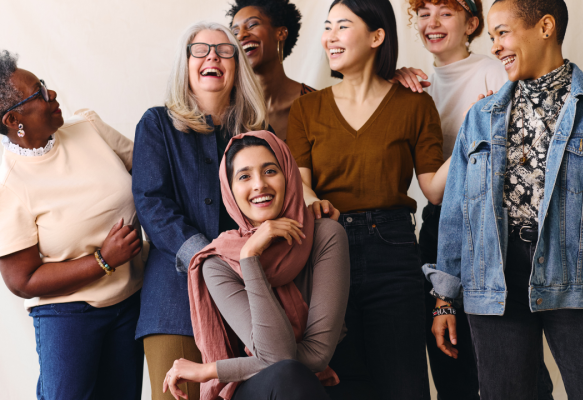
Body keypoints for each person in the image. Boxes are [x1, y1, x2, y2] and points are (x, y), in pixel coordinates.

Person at [424, 0, 583, 398]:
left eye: (503, 33)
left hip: (578, 274)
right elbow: (456, 213)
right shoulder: (481, 116)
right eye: (492, 37)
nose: (497, 46)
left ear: (546, 27)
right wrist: (444, 299)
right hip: (494, 276)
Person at [287, 0, 451, 398]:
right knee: (343, 383)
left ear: (377, 36)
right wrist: (312, 200)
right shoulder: (306, 109)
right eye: (327, 27)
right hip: (327, 249)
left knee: (403, 383)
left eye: (343, 26)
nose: (330, 37)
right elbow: (300, 183)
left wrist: (474, 130)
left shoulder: (415, 105)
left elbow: (433, 189)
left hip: (394, 251)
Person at [397, 1, 553, 399]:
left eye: (445, 13)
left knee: (510, 365)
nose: (432, 22)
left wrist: (473, 126)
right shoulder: (416, 83)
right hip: (438, 225)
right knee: (451, 359)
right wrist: (392, 82)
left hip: (488, 226)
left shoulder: (495, 69)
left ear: (472, 24)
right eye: (424, 12)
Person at [132, 21, 268, 400]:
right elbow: (151, 203)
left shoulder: (256, 134)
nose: (213, 57)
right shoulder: (157, 124)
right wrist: (205, 257)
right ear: (186, 63)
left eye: (225, 51)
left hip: (246, 296)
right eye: (201, 50)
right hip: (173, 301)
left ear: (237, 65)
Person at [0, 50, 144, 400]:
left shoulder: (88, 127)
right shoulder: (9, 185)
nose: (53, 95)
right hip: (67, 314)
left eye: (46, 86)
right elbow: (22, 280)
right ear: (13, 120)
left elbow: (149, 171)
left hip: (132, 300)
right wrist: (103, 260)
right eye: (40, 93)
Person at [163, 131, 349, 400]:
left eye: (270, 171)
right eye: (244, 176)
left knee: (292, 376)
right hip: (259, 389)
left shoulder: (325, 235)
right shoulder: (217, 262)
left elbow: (316, 354)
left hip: (302, 382)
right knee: (288, 376)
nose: (259, 185)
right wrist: (249, 256)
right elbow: (280, 358)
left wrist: (211, 371)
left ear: (288, 175)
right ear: (230, 190)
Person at [228, 0, 315, 141]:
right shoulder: (228, 107)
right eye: (235, 32)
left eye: (252, 25)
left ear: (281, 33)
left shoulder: (316, 104)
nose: (241, 35)